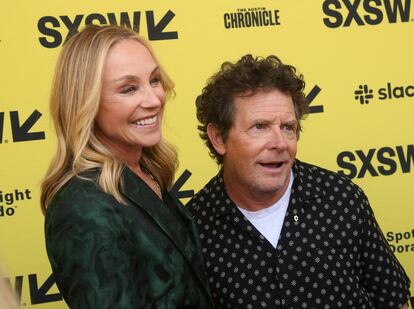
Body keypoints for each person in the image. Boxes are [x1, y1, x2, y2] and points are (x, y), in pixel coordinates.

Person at [188, 54, 411, 308]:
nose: (280, 143)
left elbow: (394, 301)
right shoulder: (192, 228)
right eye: (260, 126)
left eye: (288, 127)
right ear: (218, 137)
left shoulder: (342, 199)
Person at [40, 25, 213, 308]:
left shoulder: (145, 171)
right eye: (129, 88)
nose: (154, 99)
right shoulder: (82, 205)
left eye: (154, 80)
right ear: (87, 102)